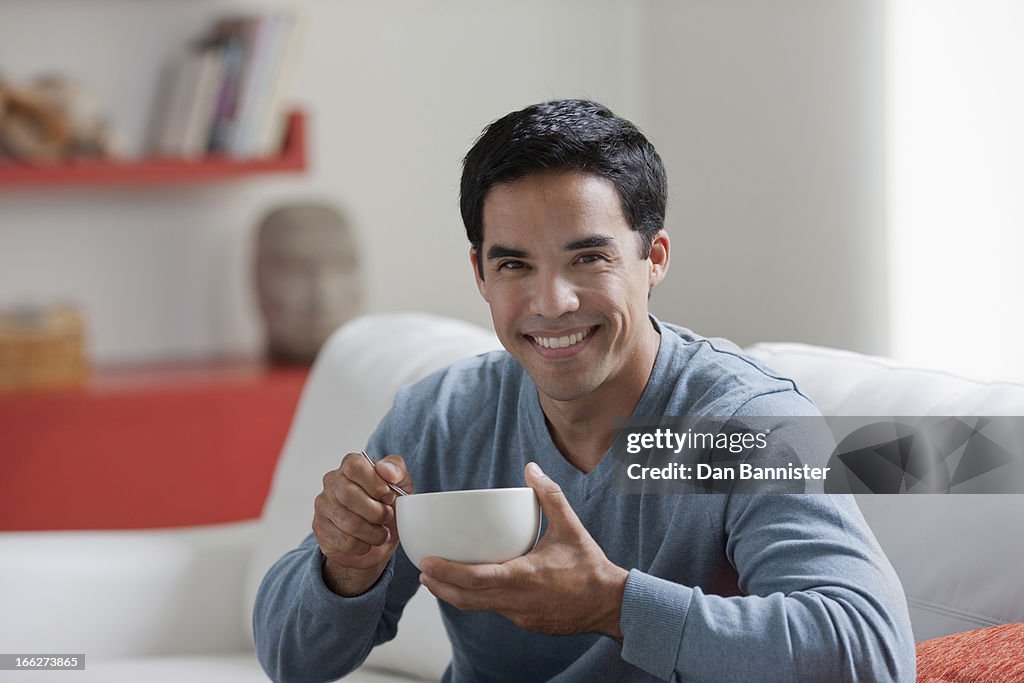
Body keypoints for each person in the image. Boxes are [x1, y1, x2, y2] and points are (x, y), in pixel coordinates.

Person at [254, 99, 916, 682]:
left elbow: (873, 653)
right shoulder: (441, 418)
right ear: (481, 275)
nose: (552, 301)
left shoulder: (742, 424)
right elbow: (291, 660)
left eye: (588, 258)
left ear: (653, 259)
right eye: (514, 264)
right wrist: (345, 568)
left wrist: (614, 604)